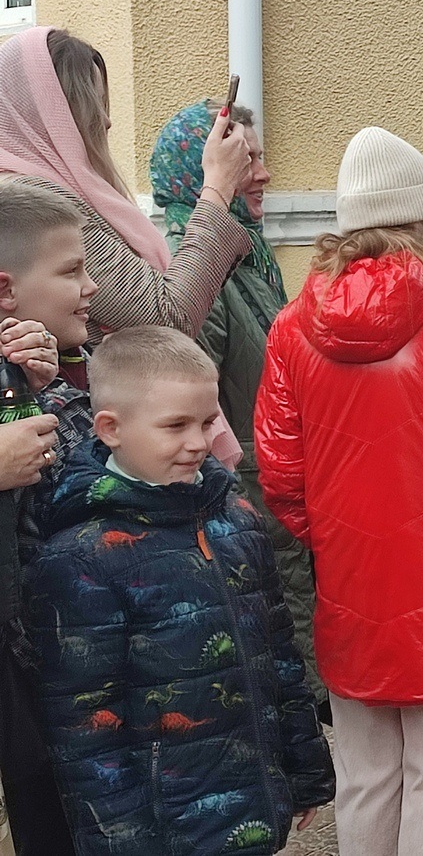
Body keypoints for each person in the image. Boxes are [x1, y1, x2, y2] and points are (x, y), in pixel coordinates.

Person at [256, 127, 423, 855]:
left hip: (351, 578)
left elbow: (279, 471)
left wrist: (334, 535)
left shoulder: (292, 327)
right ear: (422, 220)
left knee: (366, 773)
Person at [22, 326, 333, 856]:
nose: (199, 442)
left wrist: (304, 769)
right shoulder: (80, 558)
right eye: (175, 425)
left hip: (251, 804)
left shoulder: (236, 518)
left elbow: (279, 653)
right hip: (163, 828)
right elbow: (84, 726)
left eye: (208, 421)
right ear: (110, 428)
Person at [149, 99, 327, 724]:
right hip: (246, 491)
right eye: (246, 159)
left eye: (260, 157)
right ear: (198, 169)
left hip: (272, 482)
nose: (263, 174)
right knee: (283, 649)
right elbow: (194, 397)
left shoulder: (246, 254)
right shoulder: (197, 267)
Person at [0, 26, 251, 466]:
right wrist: (216, 188)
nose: (106, 121)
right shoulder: (36, 201)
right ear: (54, 116)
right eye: (91, 106)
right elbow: (162, 318)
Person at [0, 181, 85, 856]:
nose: (90, 287)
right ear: (7, 289)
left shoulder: (20, 373)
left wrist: (44, 387)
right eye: (72, 271)